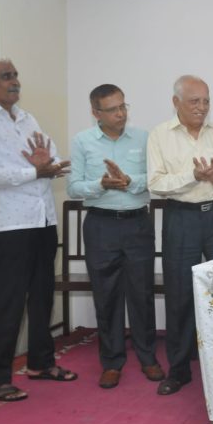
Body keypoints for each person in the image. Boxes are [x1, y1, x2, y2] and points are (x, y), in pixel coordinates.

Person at [0, 56, 77, 402]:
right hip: (5, 225)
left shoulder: (27, 118)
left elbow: (49, 157)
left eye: (16, 75)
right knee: (5, 301)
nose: (14, 81)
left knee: (41, 295)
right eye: (6, 76)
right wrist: (33, 171)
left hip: (41, 219)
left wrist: (47, 165)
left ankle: (41, 363)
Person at [147, 75, 213, 395]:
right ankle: (178, 369)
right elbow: (156, 184)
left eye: (206, 101)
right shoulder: (159, 136)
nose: (201, 107)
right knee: (179, 294)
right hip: (181, 218)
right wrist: (192, 175)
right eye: (194, 101)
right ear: (176, 102)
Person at [67, 84, 164, 389]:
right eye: (112, 109)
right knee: (106, 296)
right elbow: (73, 187)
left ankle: (148, 357)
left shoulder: (144, 138)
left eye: (123, 106)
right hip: (100, 225)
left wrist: (130, 181)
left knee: (141, 294)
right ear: (96, 113)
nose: (120, 114)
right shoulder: (82, 141)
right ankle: (111, 362)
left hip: (137, 224)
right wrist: (101, 184)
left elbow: (156, 178)